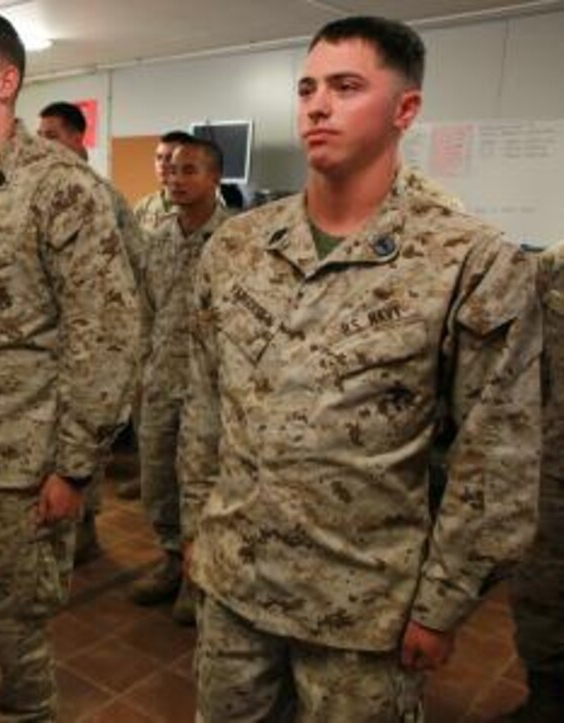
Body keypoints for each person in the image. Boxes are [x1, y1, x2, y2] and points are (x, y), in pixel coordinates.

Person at [178, 16, 541, 722]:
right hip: (235, 587)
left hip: (362, 610)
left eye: (346, 87)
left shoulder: (467, 259)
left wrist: (442, 603)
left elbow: (496, 454)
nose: (317, 105)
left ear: (405, 109)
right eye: (308, 88)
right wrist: (198, 528)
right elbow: (205, 403)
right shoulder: (239, 247)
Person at [0, 12, 140, 721]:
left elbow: (106, 331)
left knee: (14, 636)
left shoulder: (60, 187)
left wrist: (73, 466)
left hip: (19, 466)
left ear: (6, 81)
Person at [37, 100, 147, 556]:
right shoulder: (39, 191)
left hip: (87, 348)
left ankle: (82, 535)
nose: (44, 145)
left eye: (53, 136)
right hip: (47, 354)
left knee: (82, 449)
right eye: (39, 136)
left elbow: (132, 266)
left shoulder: (99, 195)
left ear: (78, 138)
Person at [129, 137, 231, 625]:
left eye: (189, 170)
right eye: (171, 169)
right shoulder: (158, 238)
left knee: (201, 484)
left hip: (210, 391)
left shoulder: (236, 241)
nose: (175, 178)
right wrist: (142, 370)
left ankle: (200, 576)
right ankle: (172, 559)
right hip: (162, 379)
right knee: (158, 479)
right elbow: (146, 310)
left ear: (214, 178)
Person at [501, 240, 564, 722]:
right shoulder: (553, 268)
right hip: (554, 475)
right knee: (541, 598)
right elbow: (520, 372)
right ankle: (546, 700)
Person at [133, 130, 194, 234]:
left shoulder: (203, 205)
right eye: (159, 157)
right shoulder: (144, 207)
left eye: (169, 158)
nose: (162, 164)